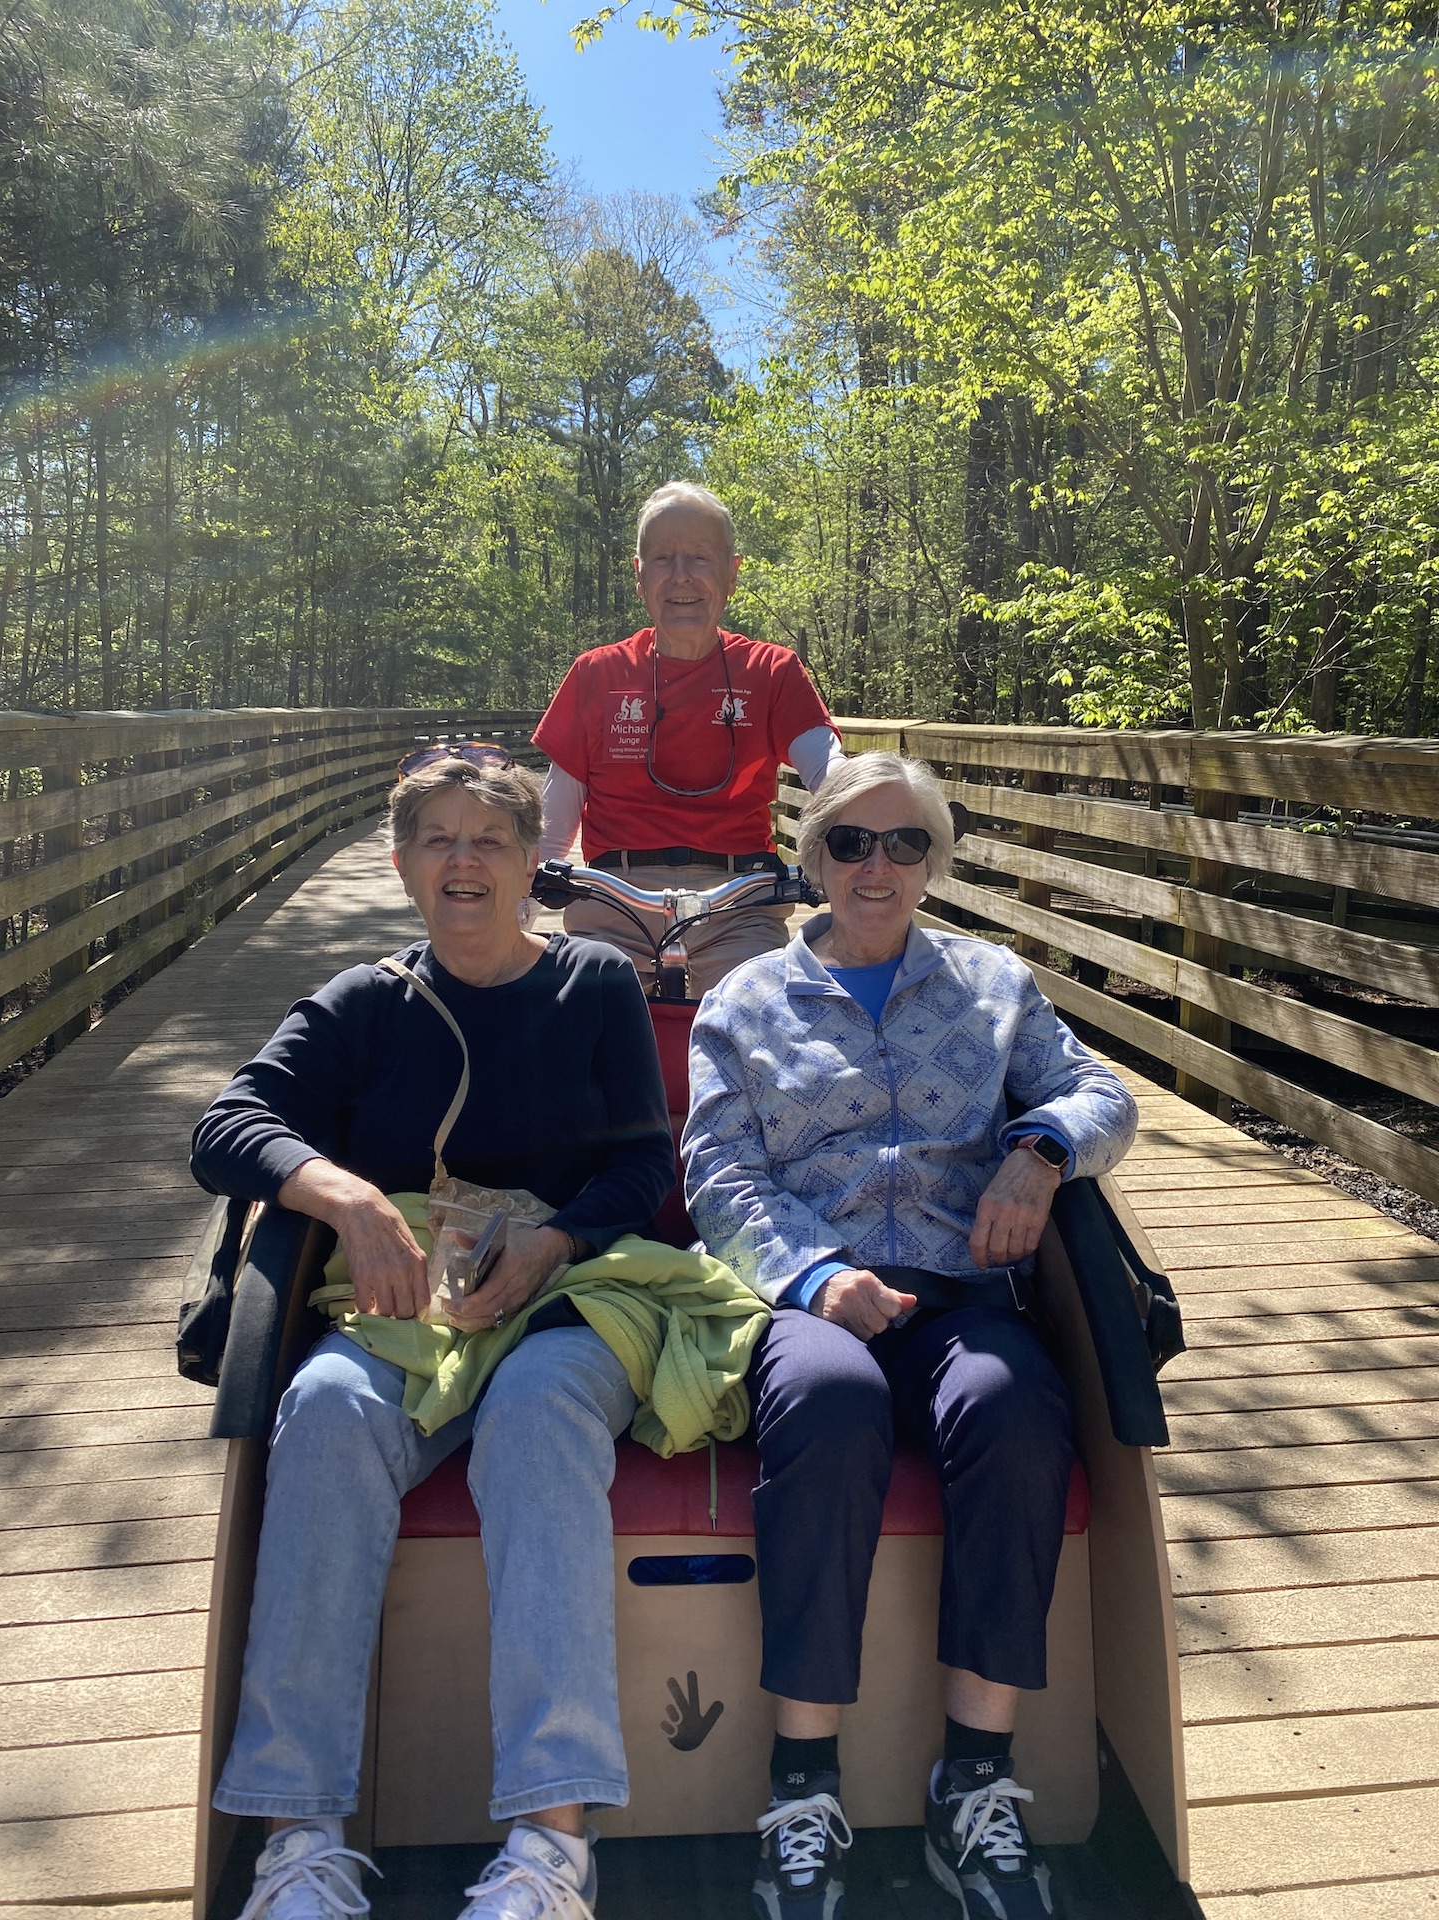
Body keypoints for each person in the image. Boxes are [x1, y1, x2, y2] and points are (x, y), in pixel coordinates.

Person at [192, 748, 675, 1920]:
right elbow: (227, 1125)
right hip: (412, 1300)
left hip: (568, 1290)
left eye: (490, 839)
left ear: (531, 862)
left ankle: (553, 1847)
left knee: (539, 1412)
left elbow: (641, 1167)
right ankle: (299, 1841)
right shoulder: (367, 1002)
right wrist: (350, 1201)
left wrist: (550, 1245)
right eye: (438, 840)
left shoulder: (594, 985)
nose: (465, 861)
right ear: (404, 864)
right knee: (325, 1407)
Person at [682, 753, 1139, 1920]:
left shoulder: (993, 984)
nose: (876, 866)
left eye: (905, 843)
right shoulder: (746, 1000)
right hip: (814, 1296)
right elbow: (717, 1171)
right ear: (813, 857)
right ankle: (802, 1787)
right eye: (851, 842)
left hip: (960, 1291)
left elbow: (1102, 1095)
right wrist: (816, 1274)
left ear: (935, 861)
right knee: (829, 1403)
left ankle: (974, 1780)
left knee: (1016, 1407)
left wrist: (1040, 1152)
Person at [533, 481, 845, 998]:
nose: (681, 575)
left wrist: (873, 815)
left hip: (740, 906)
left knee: (762, 1016)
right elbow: (555, 817)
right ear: (639, 576)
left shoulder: (772, 671)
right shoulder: (596, 674)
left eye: (700, 557)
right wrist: (520, 903)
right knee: (584, 1017)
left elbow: (828, 770)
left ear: (731, 573)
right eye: (662, 558)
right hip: (613, 905)